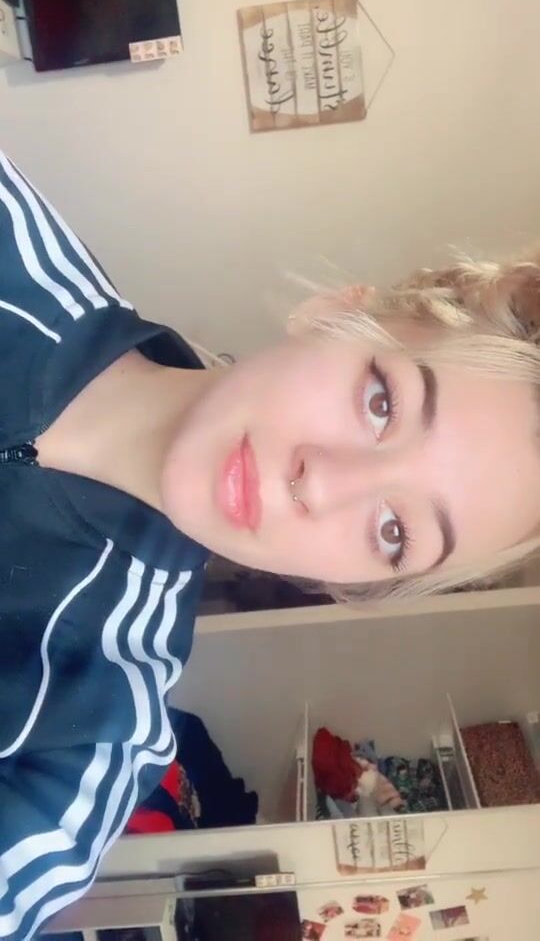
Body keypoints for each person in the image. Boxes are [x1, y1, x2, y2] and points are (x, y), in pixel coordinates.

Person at [0, 148, 539, 940]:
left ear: (359, 584)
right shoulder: (14, 248)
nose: (322, 483)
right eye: (382, 403)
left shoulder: (87, 745)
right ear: (330, 311)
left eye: (394, 531)